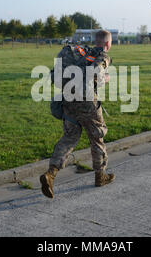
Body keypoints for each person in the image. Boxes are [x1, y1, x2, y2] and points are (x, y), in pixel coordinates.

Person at [40, 30, 115, 199]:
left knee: (69, 138)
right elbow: (96, 74)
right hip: (88, 104)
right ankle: (100, 176)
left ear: (94, 40)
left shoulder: (79, 53)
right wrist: (106, 79)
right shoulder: (102, 56)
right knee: (97, 137)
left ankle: (50, 174)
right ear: (107, 44)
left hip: (68, 101)